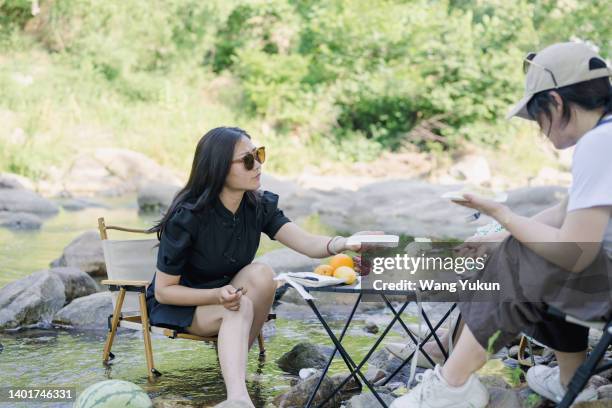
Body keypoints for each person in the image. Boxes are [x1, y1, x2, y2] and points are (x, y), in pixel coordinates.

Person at [391, 42, 612, 407]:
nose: (539, 129)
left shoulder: (600, 144)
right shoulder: (604, 137)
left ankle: (453, 383)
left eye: (537, 115)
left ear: (556, 103)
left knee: (528, 255)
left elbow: (575, 253)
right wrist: (498, 233)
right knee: (521, 245)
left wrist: (502, 216)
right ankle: (570, 379)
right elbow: (563, 213)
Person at [146, 126, 376, 407]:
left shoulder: (257, 205)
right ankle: (238, 399)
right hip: (184, 305)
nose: (258, 165)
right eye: (247, 160)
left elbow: (306, 243)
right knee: (239, 304)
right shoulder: (187, 217)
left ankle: (233, 374)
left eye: (259, 154)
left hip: (229, 298)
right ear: (219, 169)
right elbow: (165, 292)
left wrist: (346, 243)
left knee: (263, 274)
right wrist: (216, 296)